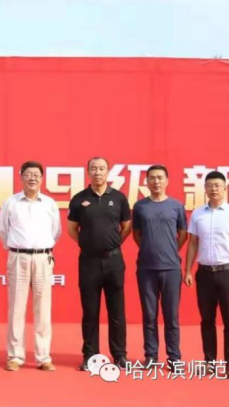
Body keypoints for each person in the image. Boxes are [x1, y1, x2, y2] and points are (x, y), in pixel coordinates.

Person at [67, 157, 132, 370]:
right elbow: (71, 229)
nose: (98, 172)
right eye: (93, 169)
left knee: (117, 311)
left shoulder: (119, 198)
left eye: (102, 168)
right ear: (88, 172)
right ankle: (90, 356)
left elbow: (126, 226)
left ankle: (120, 355)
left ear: (108, 172)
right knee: (90, 312)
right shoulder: (79, 199)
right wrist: (88, 244)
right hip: (89, 262)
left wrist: (113, 244)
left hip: (114, 261)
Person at [184, 170, 229, 378]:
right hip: (204, 273)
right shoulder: (198, 214)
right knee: (207, 320)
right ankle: (209, 362)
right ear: (204, 188)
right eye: (210, 185)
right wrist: (187, 270)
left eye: (217, 185)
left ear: (225, 188)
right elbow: (193, 243)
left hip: (227, 272)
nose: (214, 189)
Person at [0, 161, 61, 372]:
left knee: (43, 309)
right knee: (16, 308)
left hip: (43, 258)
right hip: (18, 257)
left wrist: (41, 247)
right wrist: (18, 248)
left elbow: (56, 232)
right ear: (21, 177)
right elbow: (3, 231)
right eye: (28, 174)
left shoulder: (49, 203)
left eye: (36, 174)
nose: (32, 178)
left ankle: (43, 357)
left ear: (42, 178)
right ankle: (15, 356)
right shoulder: (11, 202)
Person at [132, 165, 188, 371]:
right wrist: (149, 248)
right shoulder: (140, 206)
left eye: (160, 178)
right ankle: (151, 356)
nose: (156, 181)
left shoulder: (176, 206)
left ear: (167, 181)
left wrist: (170, 250)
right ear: (146, 182)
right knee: (149, 314)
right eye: (152, 178)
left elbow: (183, 234)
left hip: (171, 268)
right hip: (146, 268)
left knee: (171, 316)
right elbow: (137, 234)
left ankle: (174, 357)